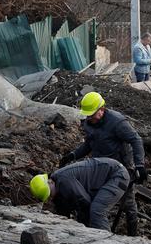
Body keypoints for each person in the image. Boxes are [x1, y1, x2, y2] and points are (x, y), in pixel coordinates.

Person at [60, 92, 146, 235]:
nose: (89, 118)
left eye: (92, 114)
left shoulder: (117, 122)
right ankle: (89, 232)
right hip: (99, 170)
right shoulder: (90, 122)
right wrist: (73, 155)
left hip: (121, 170)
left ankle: (133, 235)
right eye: (87, 115)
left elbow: (136, 140)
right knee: (93, 202)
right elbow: (89, 144)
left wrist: (139, 165)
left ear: (102, 109)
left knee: (128, 204)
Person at [29, 157, 129, 232]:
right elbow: (63, 211)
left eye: (50, 193)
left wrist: (83, 227)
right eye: (49, 196)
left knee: (97, 210)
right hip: (104, 178)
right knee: (88, 213)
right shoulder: (58, 184)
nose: (52, 196)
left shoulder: (64, 181)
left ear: (50, 182)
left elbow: (85, 202)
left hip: (116, 175)